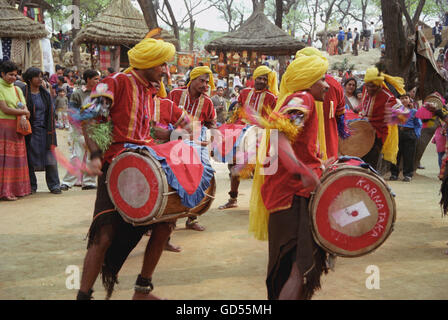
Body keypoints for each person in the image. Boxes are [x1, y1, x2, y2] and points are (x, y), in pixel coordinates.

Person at [76, 38, 179, 300]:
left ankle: (142, 290)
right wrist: (96, 154)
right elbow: (89, 118)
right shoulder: (115, 82)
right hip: (117, 167)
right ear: (147, 62)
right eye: (161, 64)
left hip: (145, 165)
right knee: (104, 232)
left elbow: (146, 130)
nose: (165, 69)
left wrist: (178, 134)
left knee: (166, 222)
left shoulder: (150, 90)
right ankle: (83, 295)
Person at [249, 53, 331, 300]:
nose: (327, 85)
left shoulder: (297, 99)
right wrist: (300, 169)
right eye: (322, 79)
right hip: (293, 194)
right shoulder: (302, 98)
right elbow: (281, 137)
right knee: (297, 269)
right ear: (308, 80)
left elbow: (282, 135)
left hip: (290, 192)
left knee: (294, 269)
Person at [219, 65, 278, 210]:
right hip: (240, 132)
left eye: (265, 79)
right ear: (254, 79)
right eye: (259, 78)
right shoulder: (245, 92)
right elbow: (237, 112)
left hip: (260, 135)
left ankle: (262, 202)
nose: (262, 81)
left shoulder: (272, 98)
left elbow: (272, 119)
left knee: (261, 169)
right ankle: (233, 198)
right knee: (234, 166)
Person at [169, 66, 217, 231]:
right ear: (192, 79)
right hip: (173, 136)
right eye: (201, 81)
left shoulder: (208, 101)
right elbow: (164, 114)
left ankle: (192, 217)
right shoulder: (175, 94)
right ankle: (168, 219)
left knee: (202, 170)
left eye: (206, 82)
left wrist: (211, 137)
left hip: (198, 138)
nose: (205, 85)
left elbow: (211, 122)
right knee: (171, 172)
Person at [358, 67, 407, 170]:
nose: (369, 88)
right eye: (367, 85)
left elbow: (403, 116)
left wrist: (393, 115)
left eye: (373, 86)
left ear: (379, 85)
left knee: (370, 165)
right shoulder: (365, 89)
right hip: (362, 132)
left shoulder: (388, 97)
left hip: (377, 136)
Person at [22, 67, 62, 195]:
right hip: (29, 132)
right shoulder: (23, 92)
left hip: (45, 131)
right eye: (37, 76)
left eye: (41, 76)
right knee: (28, 159)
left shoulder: (45, 94)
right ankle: (31, 186)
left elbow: (51, 112)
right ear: (29, 79)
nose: (40, 79)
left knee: (50, 158)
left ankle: (54, 185)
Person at [60, 70, 100, 192]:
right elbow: (72, 113)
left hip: (95, 128)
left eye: (99, 79)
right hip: (79, 128)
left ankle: (89, 182)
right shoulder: (77, 94)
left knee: (91, 154)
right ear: (88, 79)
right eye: (95, 79)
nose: (98, 81)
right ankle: (67, 182)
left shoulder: (99, 94)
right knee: (77, 155)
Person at [0, 60, 32, 201]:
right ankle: (5, 192)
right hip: (4, 128)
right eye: (10, 75)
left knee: (17, 159)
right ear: (2, 74)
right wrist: (23, 114)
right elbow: (5, 109)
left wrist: (24, 114)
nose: (13, 78)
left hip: (18, 128)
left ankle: (18, 190)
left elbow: (25, 109)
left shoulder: (17, 89)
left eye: (15, 75)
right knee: (4, 160)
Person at [389, 94, 422, 182]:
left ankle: (408, 175)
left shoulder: (414, 111)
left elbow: (418, 124)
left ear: (409, 99)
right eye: (402, 98)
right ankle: (394, 174)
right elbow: (391, 123)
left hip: (410, 134)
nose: (404, 100)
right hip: (398, 133)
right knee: (396, 154)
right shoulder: (396, 111)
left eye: (406, 98)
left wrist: (416, 134)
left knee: (409, 155)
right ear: (399, 100)